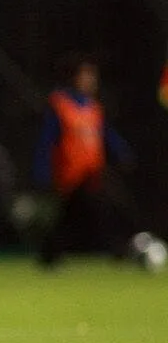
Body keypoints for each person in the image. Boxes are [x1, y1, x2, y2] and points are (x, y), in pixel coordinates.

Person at [33, 53, 137, 267]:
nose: (91, 80)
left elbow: (106, 134)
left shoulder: (93, 108)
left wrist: (122, 152)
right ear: (73, 77)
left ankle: (116, 249)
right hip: (69, 174)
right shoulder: (60, 106)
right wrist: (42, 171)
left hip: (92, 174)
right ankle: (119, 249)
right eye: (86, 75)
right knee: (76, 216)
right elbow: (46, 141)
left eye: (93, 76)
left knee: (90, 213)